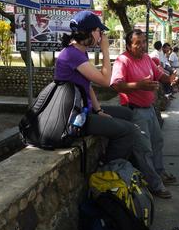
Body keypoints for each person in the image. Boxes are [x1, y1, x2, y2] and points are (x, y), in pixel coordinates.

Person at [54, 10, 136, 163]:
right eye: (99, 31)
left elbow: (87, 86)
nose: (102, 35)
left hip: (84, 108)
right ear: (90, 32)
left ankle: (119, 160)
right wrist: (105, 50)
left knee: (127, 114)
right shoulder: (72, 55)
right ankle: (108, 167)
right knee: (128, 131)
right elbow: (106, 81)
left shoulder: (80, 53)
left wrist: (98, 110)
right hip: (73, 116)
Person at [111, 29, 177, 199]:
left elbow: (158, 74)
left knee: (157, 142)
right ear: (128, 45)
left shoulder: (147, 58)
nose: (142, 46)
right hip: (134, 111)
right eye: (137, 43)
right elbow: (116, 85)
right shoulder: (122, 60)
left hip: (149, 109)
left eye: (143, 42)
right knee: (144, 150)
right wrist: (138, 85)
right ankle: (155, 185)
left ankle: (159, 172)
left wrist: (169, 79)